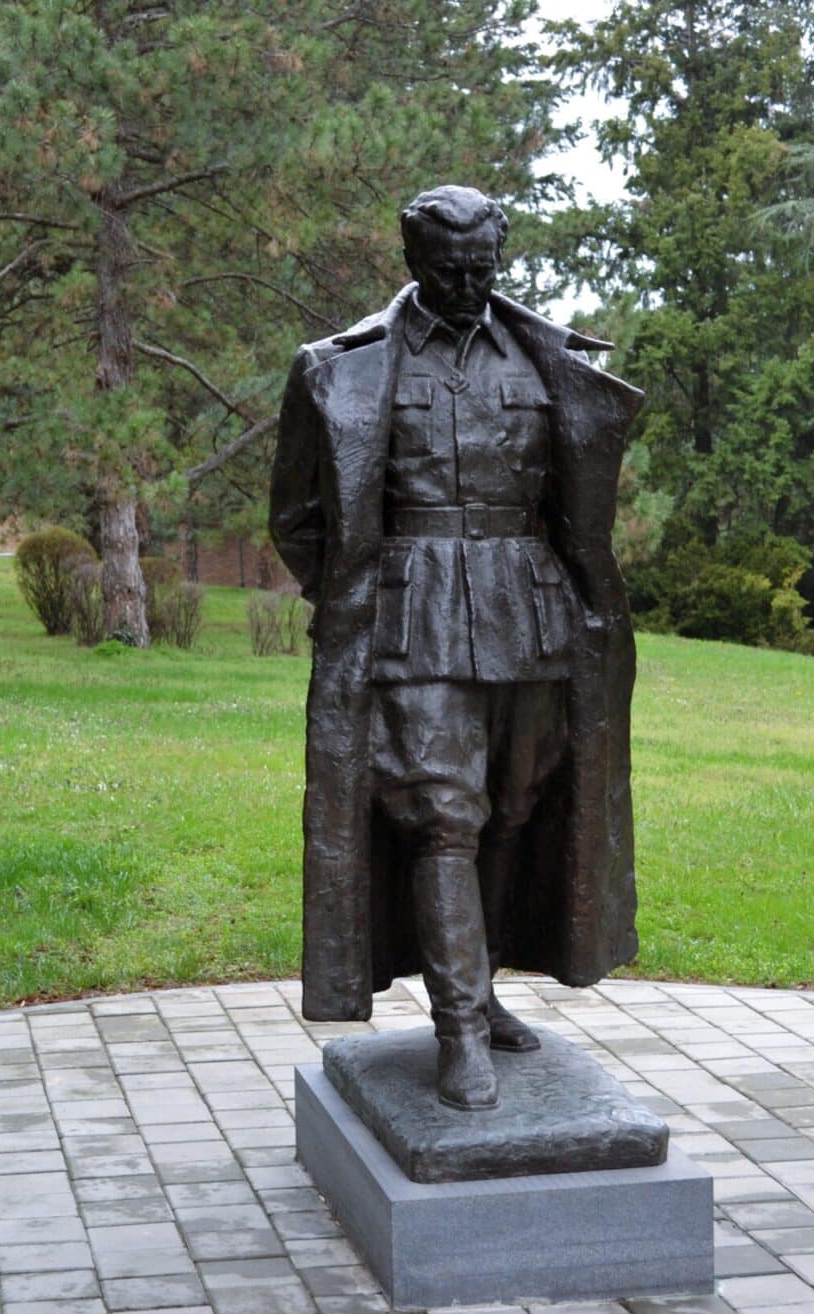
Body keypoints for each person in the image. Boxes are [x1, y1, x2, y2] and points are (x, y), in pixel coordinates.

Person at [271, 185, 644, 1110]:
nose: (471, 283)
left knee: (516, 807)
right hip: (413, 613)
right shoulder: (339, 366)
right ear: (414, 261)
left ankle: (482, 987)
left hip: (530, 613)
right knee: (446, 813)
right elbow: (297, 516)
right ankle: (461, 1029)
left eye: (485, 267)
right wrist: (362, 596)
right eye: (452, 268)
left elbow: (575, 503)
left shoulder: (543, 355)